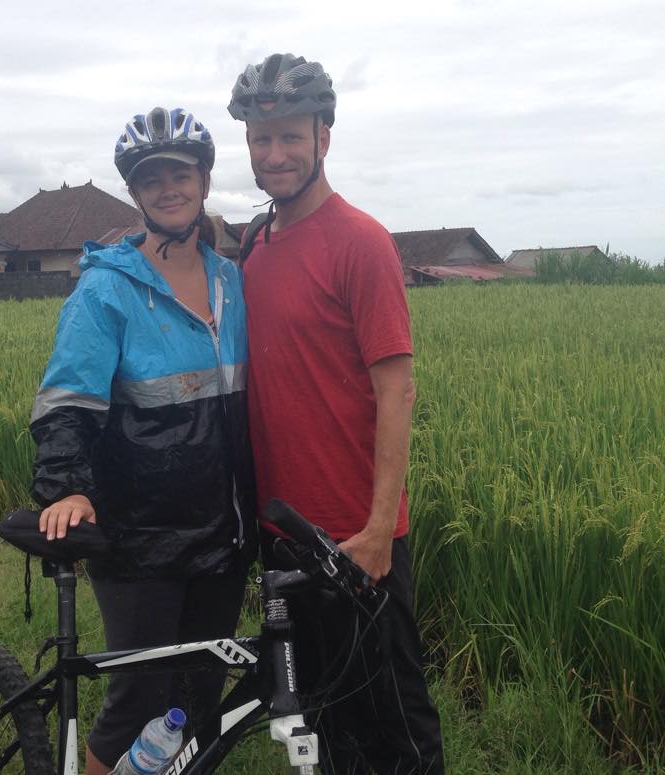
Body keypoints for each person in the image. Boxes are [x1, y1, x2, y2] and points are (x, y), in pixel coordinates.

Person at [228, 53, 445, 774]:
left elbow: (397, 389)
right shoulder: (257, 246)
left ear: (324, 136)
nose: (275, 153)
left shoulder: (361, 242)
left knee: (397, 731)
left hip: (355, 539)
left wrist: (382, 529)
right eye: (261, 139)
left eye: (290, 136)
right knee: (318, 726)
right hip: (281, 534)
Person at [29, 107, 257, 775]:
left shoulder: (232, 280)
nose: (168, 188)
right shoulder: (109, 290)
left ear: (204, 181)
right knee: (139, 700)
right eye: (151, 178)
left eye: (179, 175)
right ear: (135, 192)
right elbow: (67, 397)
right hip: (141, 538)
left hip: (223, 532)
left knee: (197, 700)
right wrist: (66, 483)